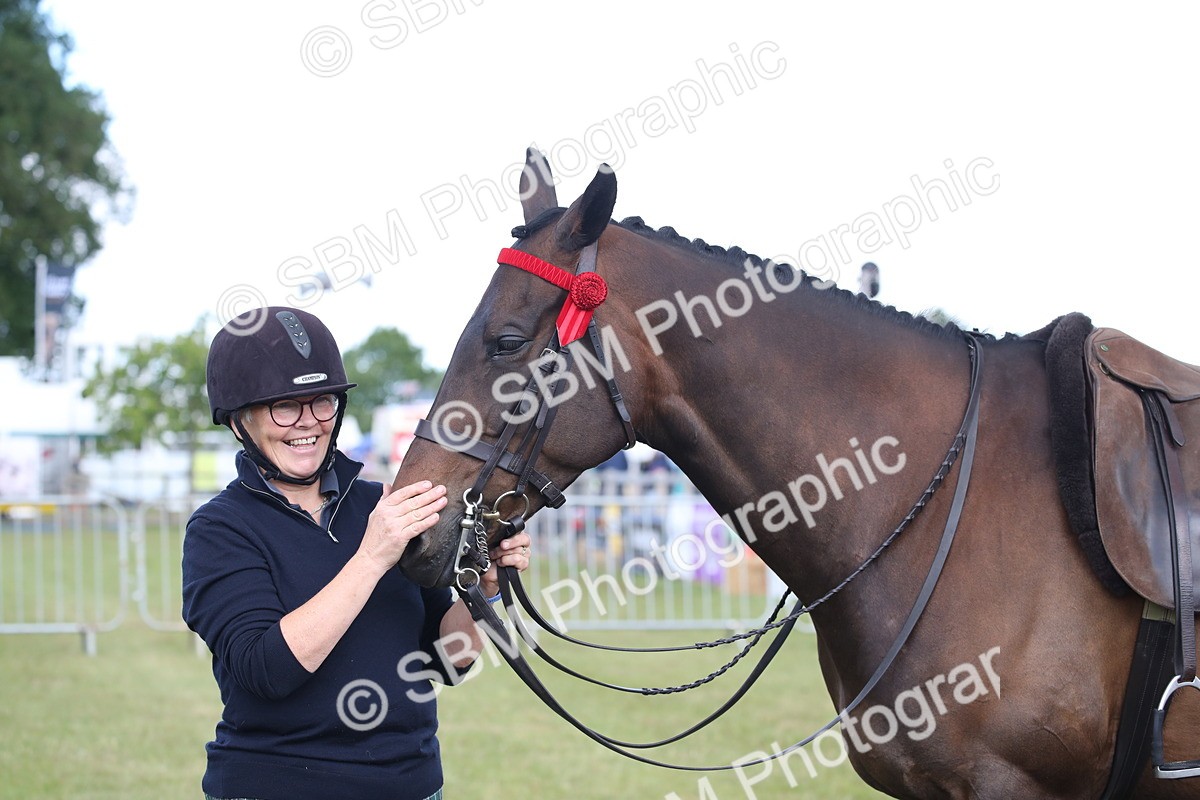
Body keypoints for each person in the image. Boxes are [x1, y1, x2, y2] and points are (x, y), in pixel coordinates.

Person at [182, 306, 532, 800]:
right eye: (284, 406)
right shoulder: (219, 529)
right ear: (240, 421)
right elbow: (266, 671)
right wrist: (371, 557)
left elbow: (445, 662)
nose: (307, 422)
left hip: (411, 785)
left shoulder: (380, 505)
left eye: (321, 401)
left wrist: (485, 590)